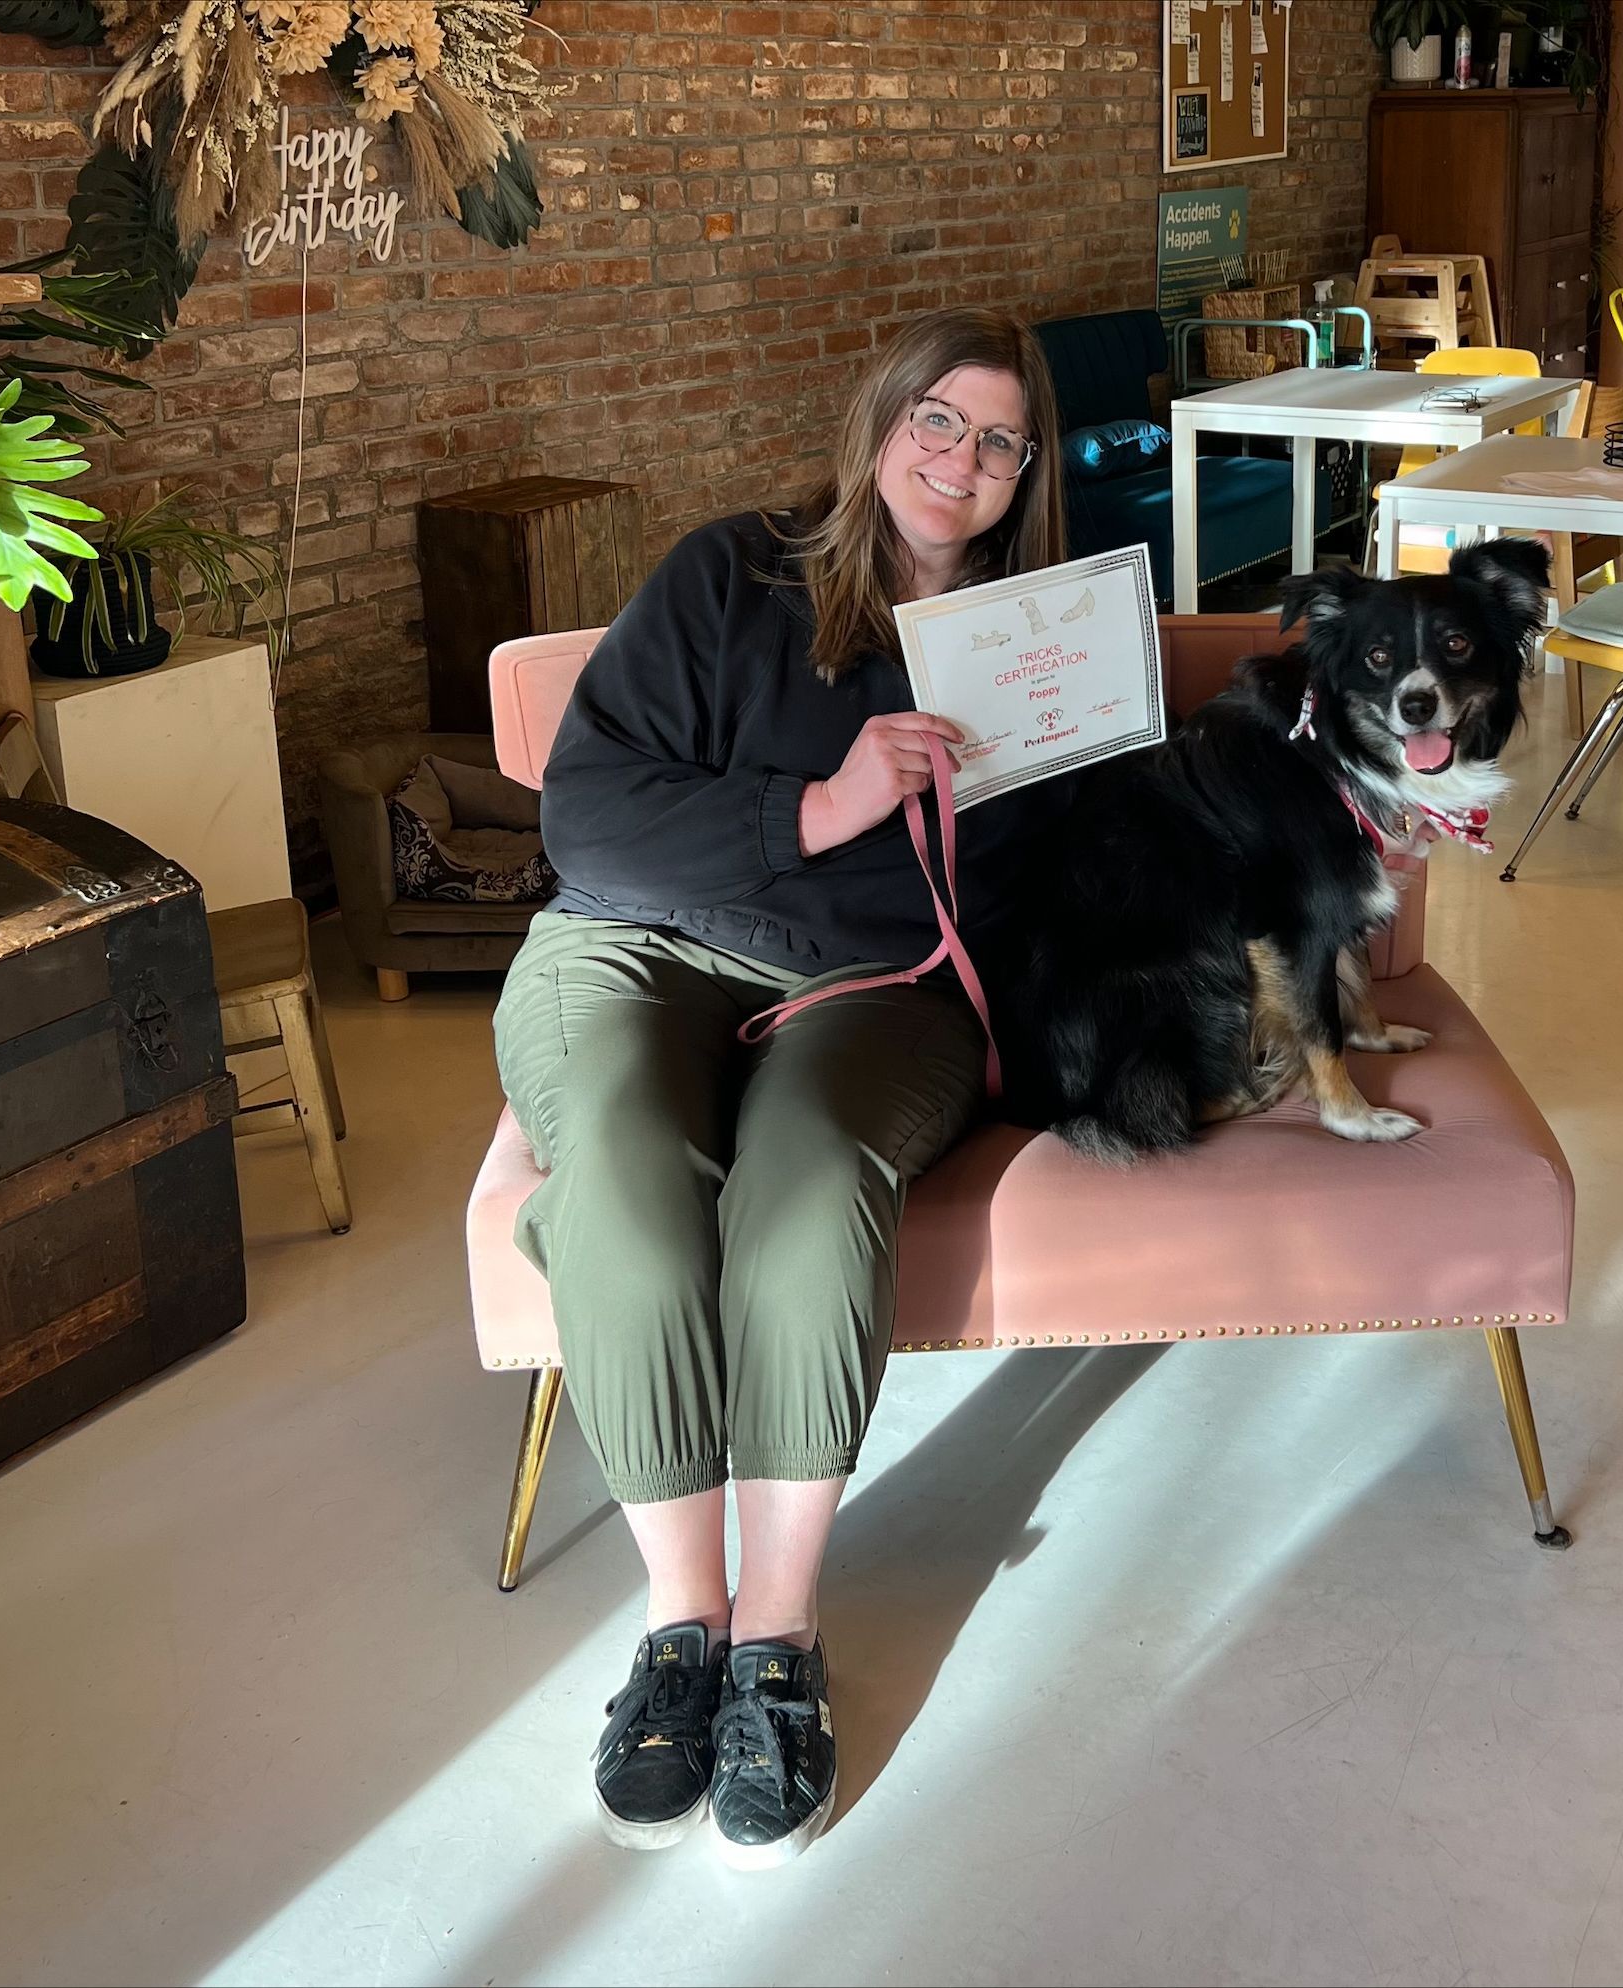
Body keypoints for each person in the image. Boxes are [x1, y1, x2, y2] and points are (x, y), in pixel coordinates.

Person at [493, 306, 1068, 1868]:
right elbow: (587, 817)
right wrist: (825, 803)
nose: (959, 459)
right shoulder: (729, 576)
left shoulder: (1038, 641)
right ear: (879, 423)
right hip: (637, 945)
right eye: (934, 420)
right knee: (622, 1182)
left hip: (877, 986)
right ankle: (682, 1627)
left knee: (812, 1185)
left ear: (1027, 473)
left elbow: (1074, 885)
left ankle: (777, 1641)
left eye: (998, 440)